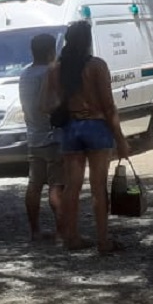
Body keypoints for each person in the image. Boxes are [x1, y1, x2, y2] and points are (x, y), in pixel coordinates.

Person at [44, 20, 130, 255]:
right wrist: (120, 139)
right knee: (98, 187)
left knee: (72, 187)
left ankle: (71, 237)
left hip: (71, 128)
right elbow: (109, 106)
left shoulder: (55, 69)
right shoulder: (97, 66)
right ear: (88, 41)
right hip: (96, 126)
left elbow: (45, 105)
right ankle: (103, 241)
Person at [19, 33, 64, 240]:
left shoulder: (24, 75)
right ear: (50, 51)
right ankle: (62, 230)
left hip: (33, 137)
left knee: (34, 185)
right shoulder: (50, 73)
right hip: (53, 136)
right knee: (57, 185)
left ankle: (35, 230)